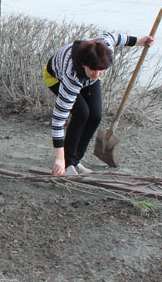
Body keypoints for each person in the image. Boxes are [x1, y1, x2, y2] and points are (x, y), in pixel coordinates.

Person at [44, 32, 155, 176]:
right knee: (81, 113)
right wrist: (59, 159)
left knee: (95, 115)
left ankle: (76, 159)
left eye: (101, 70)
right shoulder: (71, 76)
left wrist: (139, 41)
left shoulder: (105, 48)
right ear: (84, 64)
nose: (97, 74)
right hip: (56, 77)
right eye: (93, 70)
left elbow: (115, 37)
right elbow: (58, 119)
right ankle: (67, 162)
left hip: (86, 78)